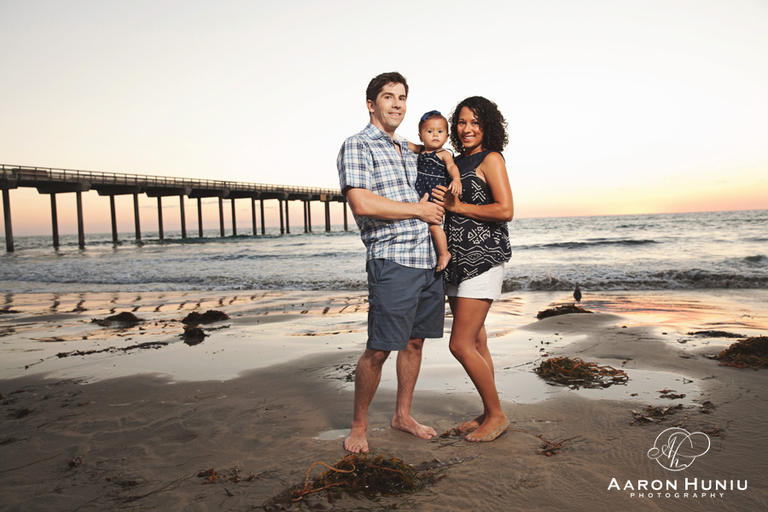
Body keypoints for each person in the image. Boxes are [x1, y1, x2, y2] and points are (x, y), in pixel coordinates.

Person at [336, 72, 446, 454]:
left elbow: (435, 150)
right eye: (388, 97)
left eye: (402, 97)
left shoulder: (406, 148)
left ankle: (402, 415)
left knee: (414, 343)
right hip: (392, 259)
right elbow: (361, 202)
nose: (397, 104)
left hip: (427, 260)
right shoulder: (358, 145)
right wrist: (418, 210)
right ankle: (358, 426)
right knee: (380, 348)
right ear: (371, 104)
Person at [431, 96, 514, 442]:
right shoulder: (455, 161)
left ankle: (497, 415)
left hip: (483, 259)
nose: (467, 129)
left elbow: (505, 210)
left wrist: (458, 206)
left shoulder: (491, 158)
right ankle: (487, 411)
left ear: (487, 127)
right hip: (456, 262)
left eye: (475, 123)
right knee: (477, 340)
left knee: (460, 344)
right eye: (462, 122)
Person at [407, 111, 462, 272]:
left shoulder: (443, 154)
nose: (435, 135)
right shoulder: (421, 150)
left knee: (433, 225)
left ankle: (444, 253)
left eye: (440, 131)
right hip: (420, 193)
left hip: (435, 194)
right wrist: (390, 137)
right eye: (429, 131)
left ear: (446, 137)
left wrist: (456, 180)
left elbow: (452, 167)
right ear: (421, 136)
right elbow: (405, 144)